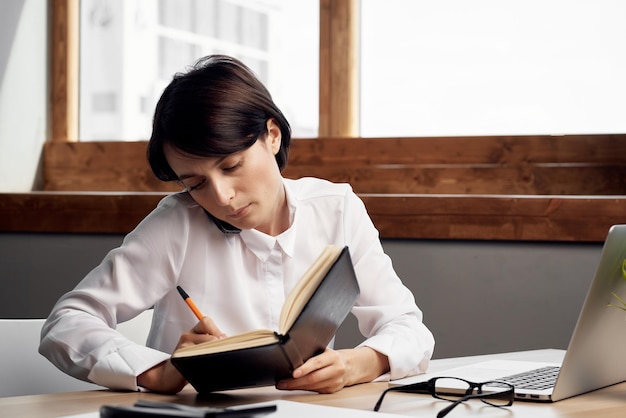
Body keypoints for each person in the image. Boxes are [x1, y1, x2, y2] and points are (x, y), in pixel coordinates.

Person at [39, 54, 435, 394]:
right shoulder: (176, 224)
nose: (222, 196)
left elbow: (407, 327)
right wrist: (157, 371)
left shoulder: (337, 210)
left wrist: (356, 365)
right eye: (195, 183)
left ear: (272, 135)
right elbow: (66, 324)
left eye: (231, 166)